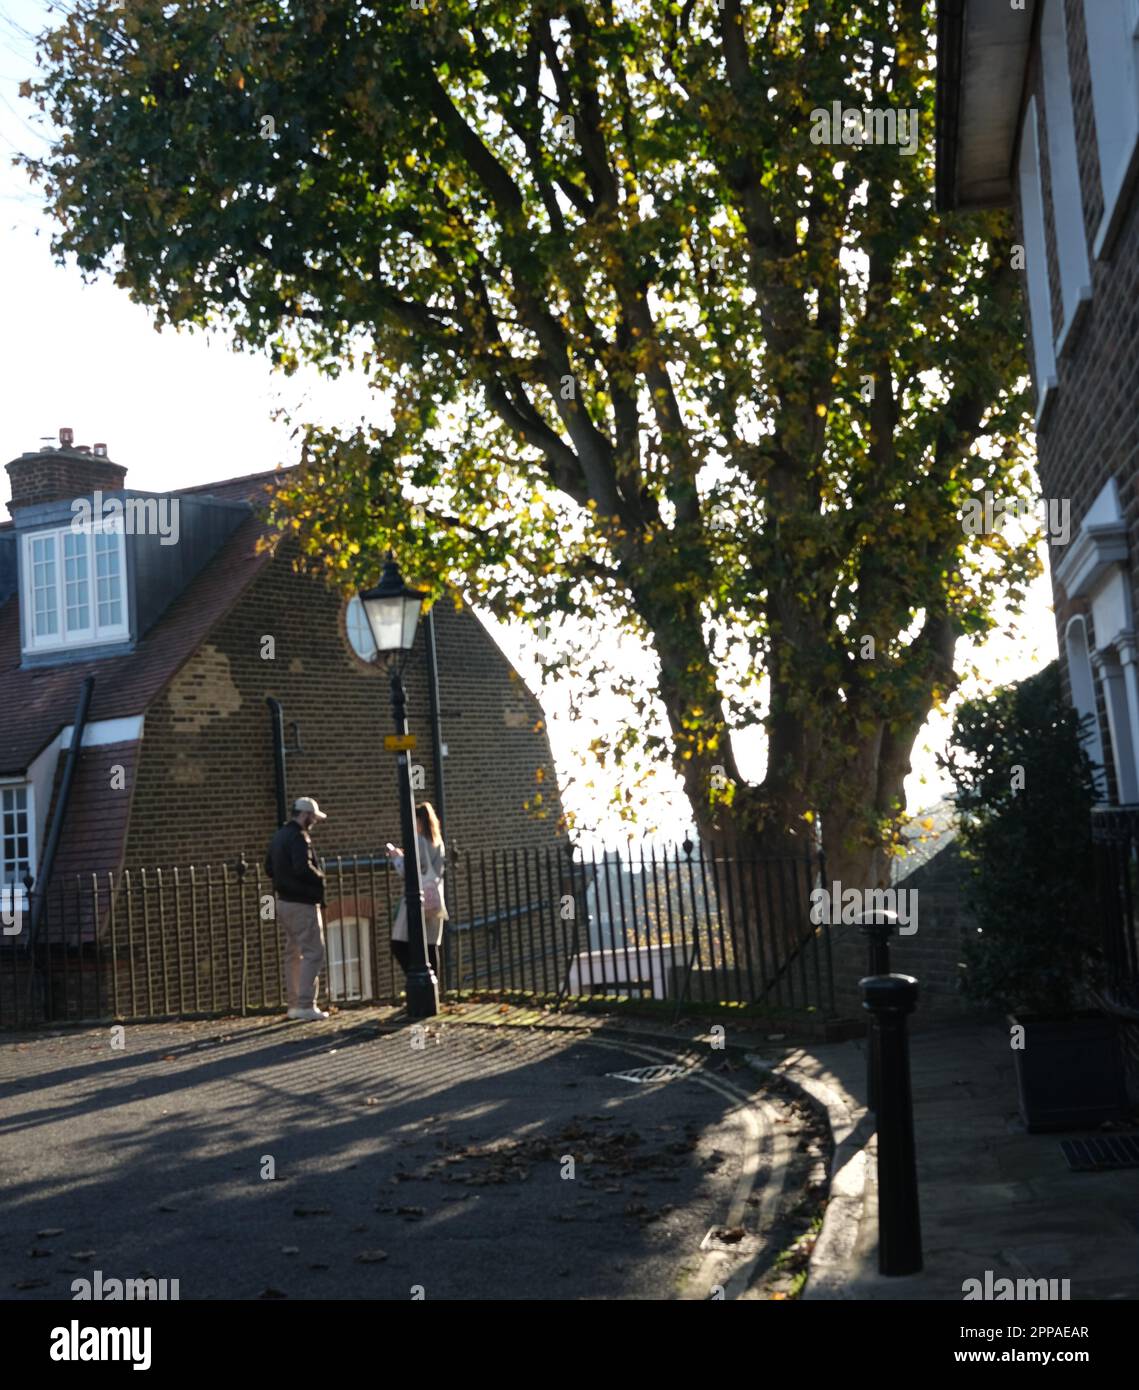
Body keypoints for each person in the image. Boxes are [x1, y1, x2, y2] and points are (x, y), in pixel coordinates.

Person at [265, 796, 330, 1021]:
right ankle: (305, 1004)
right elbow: (302, 868)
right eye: (313, 817)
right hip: (302, 903)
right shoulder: (299, 837)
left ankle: (294, 1004)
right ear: (305, 815)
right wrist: (320, 878)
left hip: (283, 902)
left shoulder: (279, 835)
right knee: (313, 952)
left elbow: (268, 868)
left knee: (293, 953)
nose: (314, 822)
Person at [388, 802, 447, 982]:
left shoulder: (418, 841)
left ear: (419, 821)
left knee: (398, 944)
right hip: (435, 899)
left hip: (417, 899)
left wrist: (397, 858)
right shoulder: (438, 843)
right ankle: (434, 987)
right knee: (430, 947)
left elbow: (409, 872)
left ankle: (417, 982)